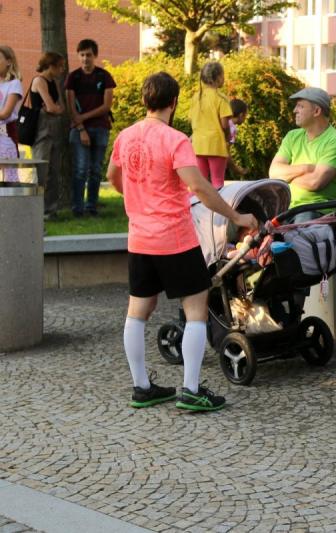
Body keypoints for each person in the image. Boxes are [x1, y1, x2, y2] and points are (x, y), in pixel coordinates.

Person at [107, 72, 258, 412]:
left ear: (145, 100)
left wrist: (137, 198)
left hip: (140, 238)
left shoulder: (125, 136)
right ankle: (190, 390)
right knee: (195, 310)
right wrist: (236, 217)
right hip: (174, 238)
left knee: (137, 311)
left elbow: (114, 177)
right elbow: (199, 187)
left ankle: (141, 387)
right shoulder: (175, 140)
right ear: (173, 102)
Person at [268, 87, 336, 220]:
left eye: (300, 106)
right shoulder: (292, 136)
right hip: (285, 207)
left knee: (299, 225)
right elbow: (273, 173)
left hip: (315, 210)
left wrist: (285, 179)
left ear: (316, 111)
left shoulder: (335, 141)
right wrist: (306, 168)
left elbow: (315, 182)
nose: (295, 110)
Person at [66, 39, 116, 217]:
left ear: (95, 56)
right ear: (78, 56)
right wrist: (81, 128)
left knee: (95, 170)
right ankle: (77, 208)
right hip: (79, 130)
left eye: (88, 55)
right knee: (80, 169)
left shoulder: (104, 76)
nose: (85, 58)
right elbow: (71, 107)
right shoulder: (73, 78)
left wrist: (83, 117)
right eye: (82, 55)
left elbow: (106, 106)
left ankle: (91, 207)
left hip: (100, 128)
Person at [30, 52, 66, 218]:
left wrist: (54, 109)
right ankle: (36, 209)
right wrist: (53, 109)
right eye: (59, 66)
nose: (62, 69)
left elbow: (61, 107)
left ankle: (50, 209)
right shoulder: (39, 81)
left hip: (55, 131)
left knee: (54, 171)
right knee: (41, 171)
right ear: (50, 66)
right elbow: (52, 107)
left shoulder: (55, 82)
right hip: (41, 132)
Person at [189, 62, 232, 189]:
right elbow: (225, 125)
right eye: (223, 75)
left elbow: (192, 120)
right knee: (217, 182)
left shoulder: (196, 97)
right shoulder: (221, 98)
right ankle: (217, 203)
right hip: (216, 145)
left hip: (198, 146)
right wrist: (228, 136)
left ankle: (195, 202)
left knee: (200, 183)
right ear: (217, 77)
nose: (224, 78)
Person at [0, 45, 23, 182]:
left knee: (10, 178)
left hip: (6, 135)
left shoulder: (14, 84)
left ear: (9, 61)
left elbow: (5, 113)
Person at [227, 98, 248, 177]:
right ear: (241, 115)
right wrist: (236, 169)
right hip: (216, 157)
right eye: (245, 115)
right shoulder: (232, 128)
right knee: (217, 181)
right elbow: (226, 151)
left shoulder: (221, 121)